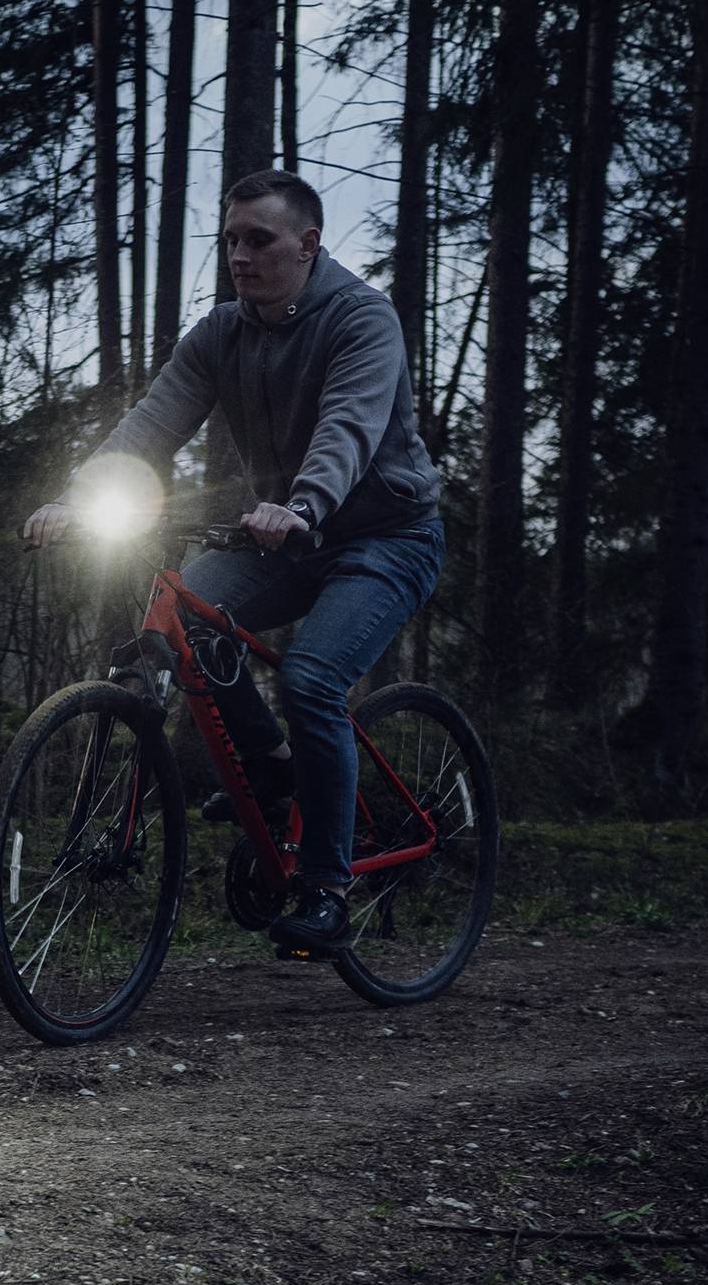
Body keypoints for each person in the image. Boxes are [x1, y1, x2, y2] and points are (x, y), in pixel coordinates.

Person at [25, 171, 443, 958]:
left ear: (307, 245)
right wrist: (78, 496)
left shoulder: (361, 319)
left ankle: (325, 886)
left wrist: (303, 503)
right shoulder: (222, 332)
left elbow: (348, 426)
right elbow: (148, 424)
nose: (239, 256)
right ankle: (279, 769)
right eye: (229, 241)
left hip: (385, 537)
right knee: (187, 616)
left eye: (259, 239)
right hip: (281, 537)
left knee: (311, 680)